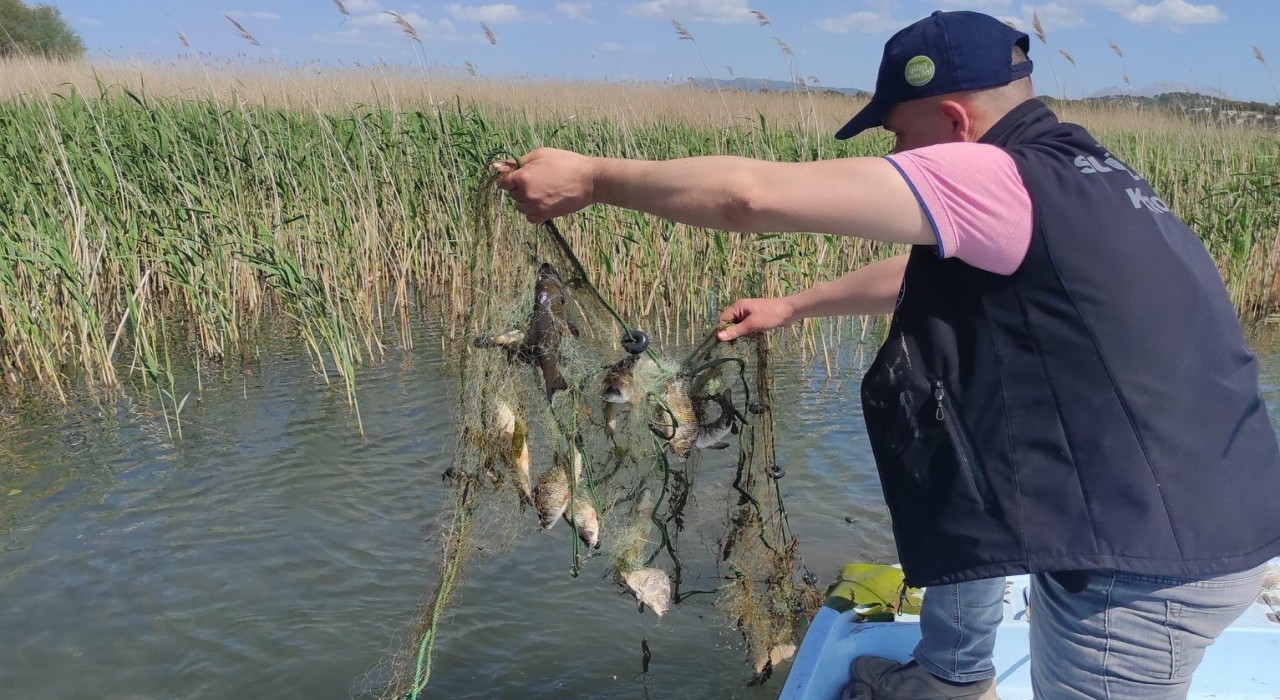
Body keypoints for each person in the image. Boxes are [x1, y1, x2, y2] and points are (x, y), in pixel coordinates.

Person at [494, 9, 1280, 699]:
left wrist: (592, 177)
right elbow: (930, 266)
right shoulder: (1082, 172)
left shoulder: (995, 174)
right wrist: (799, 304)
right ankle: (951, 675)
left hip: (1144, 564)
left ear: (955, 121)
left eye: (901, 137)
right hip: (1210, 513)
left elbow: (749, 198)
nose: (898, 153)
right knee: (969, 457)